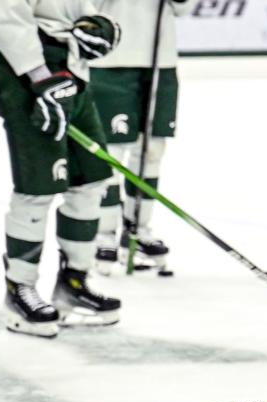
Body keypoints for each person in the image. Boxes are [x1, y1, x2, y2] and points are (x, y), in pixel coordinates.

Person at [0, 0, 123, 337]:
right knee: (36, 189)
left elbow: (93, 9)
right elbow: (3, 16)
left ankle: (74, 283)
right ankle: (20, 288)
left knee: (91, 180)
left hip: (73, 73)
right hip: (29, 79)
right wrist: (40, 78)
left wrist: (102, 26)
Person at [90, 0, 190, 273]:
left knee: (152, 150)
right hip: (112, 59)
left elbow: (183, 8)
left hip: (160, 61)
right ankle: (104, 233)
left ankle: (139, 230)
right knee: (111, 152)